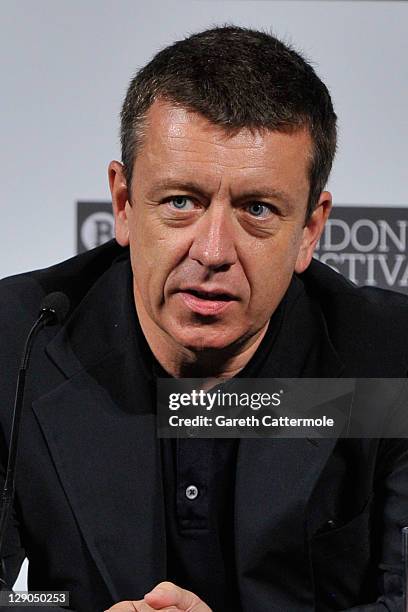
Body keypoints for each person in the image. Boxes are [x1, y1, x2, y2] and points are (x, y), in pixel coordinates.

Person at [1, 25, 408, 612]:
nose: (213, 250)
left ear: (310, 231)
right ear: (122, 203)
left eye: (258, 209)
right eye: (180, 202)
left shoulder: (390, 360)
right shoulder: (18, 341)